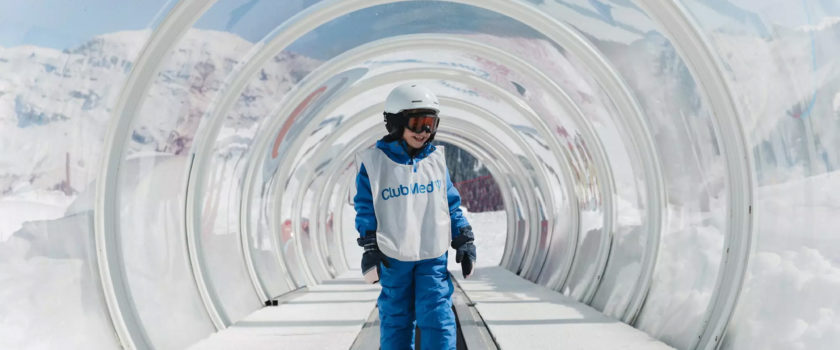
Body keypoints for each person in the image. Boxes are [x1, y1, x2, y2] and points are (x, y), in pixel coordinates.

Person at [353, 83, 477, 350]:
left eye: (430, 124)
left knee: (438, 315)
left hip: (431, 253)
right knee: (396, 317)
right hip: (392, 255)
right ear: (396, 123)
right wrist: (370, 246)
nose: (424, 132)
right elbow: (366, 207)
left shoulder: (435, 161)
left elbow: (450, 203)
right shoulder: (374, 163)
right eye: (418, 123)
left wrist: (464, 238)